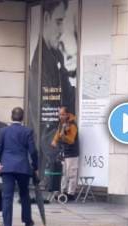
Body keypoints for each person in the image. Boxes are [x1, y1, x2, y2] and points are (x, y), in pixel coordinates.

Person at [29, 0, 78, 186]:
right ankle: (50, 183)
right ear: (46, 18)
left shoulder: (52, 55)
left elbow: (67, 94)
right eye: (59, 22)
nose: (61, 31)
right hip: (51, 147)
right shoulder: (41, 64)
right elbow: (45, 118)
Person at [0, 107, 38, 226]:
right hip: (22, 167)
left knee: (7, 197)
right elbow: (32, 151)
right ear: (23, 117)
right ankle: (27, 222)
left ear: (11, 116)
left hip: (7, 167)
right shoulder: (28, 131)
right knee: (24, 194)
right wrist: (35, 166)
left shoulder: (3, 131)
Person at [51, 106, 79, 201]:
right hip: (64, 152)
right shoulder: (61, 124)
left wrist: (63, 137)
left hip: (72, 153)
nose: (60, 116)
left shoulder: (72, 125)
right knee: (63, 173)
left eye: (62, 114)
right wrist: (55, 140)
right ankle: (62, 192)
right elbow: (58, 134)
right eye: (60, 114)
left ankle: (71, 193)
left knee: (71, 174)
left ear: (67, 114)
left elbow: (71, 140)